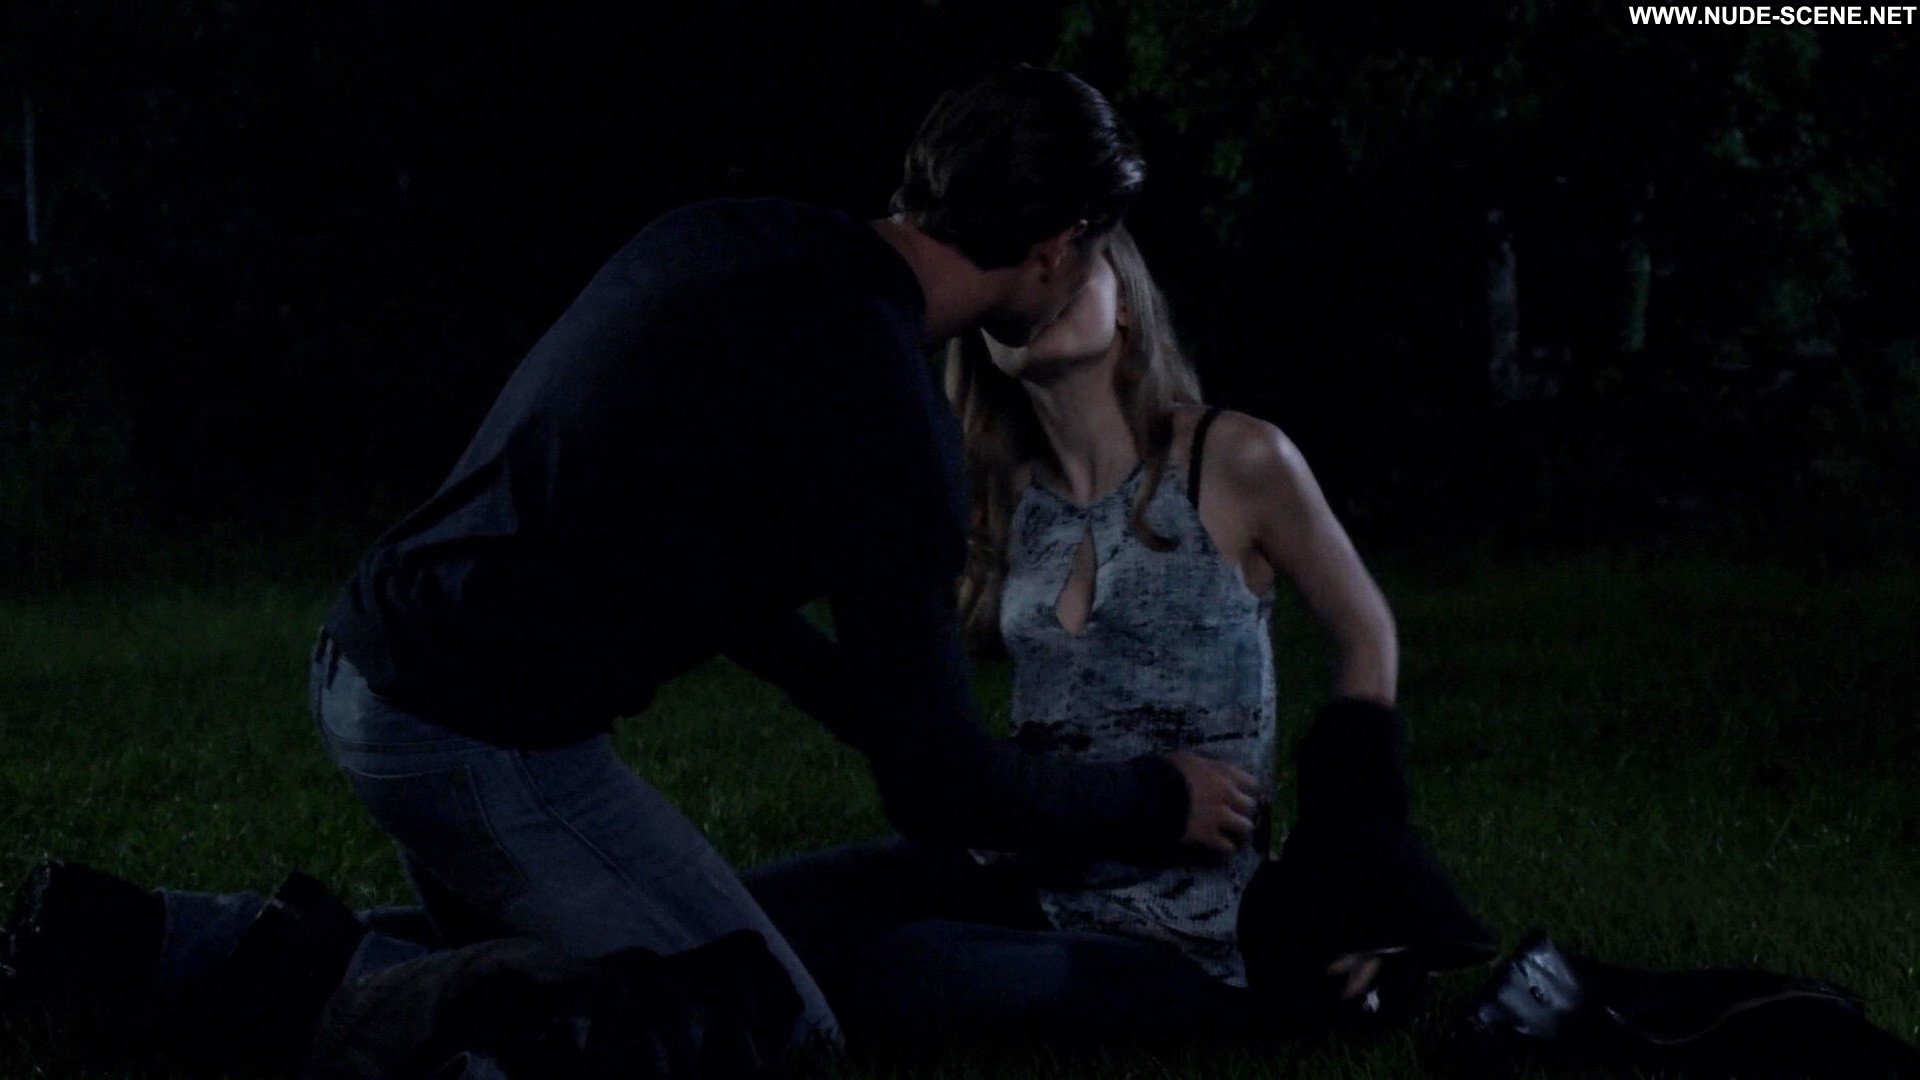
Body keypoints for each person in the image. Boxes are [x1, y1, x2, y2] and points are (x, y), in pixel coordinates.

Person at [1, 65, 1265, 1064]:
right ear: (1055, 247)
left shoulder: (736, 239)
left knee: (554, 960)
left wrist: (885, 710)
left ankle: (130, 943)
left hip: (372, 657)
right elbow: (939, 792)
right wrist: (1154, 800)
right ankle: (194, 972)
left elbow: (735, 598)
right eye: (1097, 246)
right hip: (471, 732)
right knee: (756, 1032)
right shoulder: (884, 409)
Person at [739, 223, 1448, 1049]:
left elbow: (1365, 633)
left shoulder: (1235, 456)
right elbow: (911, 713)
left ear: (1127, 306)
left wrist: (1361, 870)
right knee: (741, 911)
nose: (1043, 284)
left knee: (912, 971)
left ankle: (1241, 1008)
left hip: (1178, 922)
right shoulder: (997, 495)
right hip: (1026, 868)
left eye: (1075, 264)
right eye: (1016, 279)